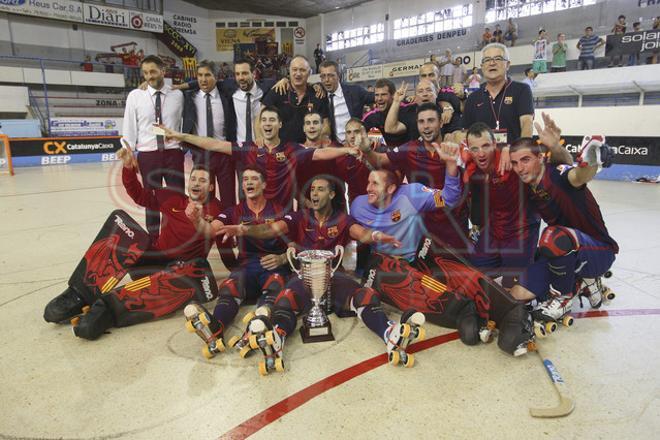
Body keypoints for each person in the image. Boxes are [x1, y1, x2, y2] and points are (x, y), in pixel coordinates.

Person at [215, 175, 416, 373]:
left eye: (320, 189)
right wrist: (243, 230)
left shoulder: (342, 219)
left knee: (366, 295)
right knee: (285, 301)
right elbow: (271, 229)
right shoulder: (298, 217)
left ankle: (389, 333)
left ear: (331, 194)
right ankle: (277, 338)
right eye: (312, 190)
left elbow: (361, 233)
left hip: (333, 277)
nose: (315, 193)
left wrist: (377, 235)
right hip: (303, 277)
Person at [351, 156, 534, 356]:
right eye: (368, 182)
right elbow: (350, 229)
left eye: (374, 184)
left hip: (420, 255)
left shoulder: (411, 194)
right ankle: (464, 312)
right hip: (388, 265)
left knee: (458, 270)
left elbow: (448, 198)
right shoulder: (359, 205)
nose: (368, 188)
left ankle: (512, 312)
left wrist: (451, 168)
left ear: (391, 189)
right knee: (405, 280)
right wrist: (371, 236)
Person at [43, 147, 224, 340]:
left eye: (203, 180)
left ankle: (107, 312)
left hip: (179, 272)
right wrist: (128, 167)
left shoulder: (218, 210)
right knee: (123, 227)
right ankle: (80, 293)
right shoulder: (172, 197)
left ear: (211, 187)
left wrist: (238, 270)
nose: (196, 183)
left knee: (192, 270)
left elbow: (219, 234)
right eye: (194, 179)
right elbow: (139, 195)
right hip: (153, 263)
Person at [162, 106, 359, 212]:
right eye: (264, 120)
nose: (267, 123)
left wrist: (347, 150)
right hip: (254, 215)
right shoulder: (249, 148)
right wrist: (181, 136)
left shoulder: (292, 149)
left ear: (280, 124)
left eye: (272, 119)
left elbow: (320, 153)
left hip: (284, 217)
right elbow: (214, 144)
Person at [509, 135, 618, 325]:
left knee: (553, 236)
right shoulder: (529, 188)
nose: (520, 168)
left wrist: (591, 159)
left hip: (598, 252)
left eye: (525, 160)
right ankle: (581, 281)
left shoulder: (556, 174)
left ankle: (564, 297)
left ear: (540, 158)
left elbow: (579, 176)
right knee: (518, 294)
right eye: (515, 163)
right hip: (564, 252)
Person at [183, 166, 290, 357]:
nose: (248, 182)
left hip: (273, 266)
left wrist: (282, 258)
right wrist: (196, 220)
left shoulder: (280, 209)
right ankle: (215, 329)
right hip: (247, 267)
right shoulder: (234, 211)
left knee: (275, 286)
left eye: (254, 178)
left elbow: (283, 236)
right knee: (230, 286)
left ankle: (255, 328)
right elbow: (211, 230)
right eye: (245, 179)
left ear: (264, 184)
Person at [463, 115, 572, 288]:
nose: (481, 153)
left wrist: (555, 146)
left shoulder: (514, 160)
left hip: (521, 232)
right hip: (493, 231)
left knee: (514, 289)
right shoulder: (471, 167)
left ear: (495, 144)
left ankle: (553, 267)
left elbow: (566, 167)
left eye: (486, 146)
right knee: (474, 278)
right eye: (474, 148)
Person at [361, 103, 469, 253]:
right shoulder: (410, 149)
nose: (426, 126)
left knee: (459, 272)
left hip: (455, 223)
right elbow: (379, 160)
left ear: (441, 122)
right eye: (421, 122)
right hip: (426, 225)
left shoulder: (455, 146)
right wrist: (366, 150)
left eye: (431, 120)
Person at [122, 55, 185, 241]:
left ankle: (176, 236)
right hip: (148, 155)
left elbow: (184, 121)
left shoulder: (177, 95)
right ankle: (154, 240)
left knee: (177, 198)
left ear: (163, 72)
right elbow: (129, 126)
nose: (149, 76)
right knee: (151, 200)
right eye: (146, 72)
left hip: (173, 153)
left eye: (153, 71)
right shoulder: (135, 96)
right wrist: (128, 150)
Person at [182, 60, 237, 207]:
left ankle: (228, 227)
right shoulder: (189, 97)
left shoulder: (227, 94)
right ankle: (206, 228)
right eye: (199, 75)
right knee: (203, 198)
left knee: (228, 198)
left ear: (217, 76)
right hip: (200, 153)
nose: (203, 79)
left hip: (224, 152)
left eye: (207, 75)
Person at [461, 43, 534, 148]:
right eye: (487, 60)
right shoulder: (473, 97)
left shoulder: (522, 90)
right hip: (483, 160)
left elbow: (526, 123)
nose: (492, 63)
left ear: (507, 64)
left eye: (498, 58)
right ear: (482, 66)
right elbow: (467, 132)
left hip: (513, 158)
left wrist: (521, 152)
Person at [261, 55, 330, 144]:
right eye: (294, 69)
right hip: (281, 151)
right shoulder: (278, 90)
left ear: (309, 73)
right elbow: (259, 118)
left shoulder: (318, 94)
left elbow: (326, 125)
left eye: (302, 70)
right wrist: (261, 142)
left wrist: (316, 142)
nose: (298, 73)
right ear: (289, 71)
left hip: (309, 151)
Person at [318, 60, 374, 143]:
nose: (326, 80)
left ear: (339, 76)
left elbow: (377, 97)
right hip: (335, 147)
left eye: (331, 75)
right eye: (323, 76)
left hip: (357, 144)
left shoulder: (355, 92)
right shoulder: (320, 96)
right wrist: (314, 85)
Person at [419, 62, 462, 140]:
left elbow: (463, 109)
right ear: (420, 79)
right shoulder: (416, 98)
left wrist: (463, 96)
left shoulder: (451, 94)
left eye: (431, 75)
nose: (427, 78)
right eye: (424, 76)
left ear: (439, 77)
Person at [362, 78, 409, 147]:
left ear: (393, 95)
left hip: (409, 154)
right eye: (377, 95)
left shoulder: (407, 111)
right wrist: (368, 140)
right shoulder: (370, 117)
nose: (379, 98)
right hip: (385, 156)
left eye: (383, 94)